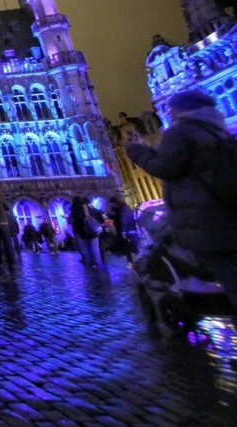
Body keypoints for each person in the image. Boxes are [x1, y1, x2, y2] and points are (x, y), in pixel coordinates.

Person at [127, 89, 237, 309]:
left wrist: (137, 151)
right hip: (227, 214)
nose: (169, 112)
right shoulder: (220, 132)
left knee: (224, 273)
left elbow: (165, 167)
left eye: (172, 108)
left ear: (182, 109)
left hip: (201, 217)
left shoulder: (181, 133)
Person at [69, 195, 105, 269]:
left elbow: (71, 222)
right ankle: (98, 264)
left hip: (81, 234)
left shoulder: (73, 212)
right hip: (92, 232)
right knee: (95, 249)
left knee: (85, 250)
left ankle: (88, 265)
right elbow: (99, 216)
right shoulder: (88, 208)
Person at [106, 196, 138, 265]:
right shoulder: (125, 207)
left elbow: (122, 220)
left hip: (123, 229)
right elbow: (112, 216)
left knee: (126, 244)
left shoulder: (121, 209)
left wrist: (123, 232)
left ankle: (130, 260)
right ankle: (134, 256)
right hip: (131, 228)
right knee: (131, 243)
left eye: (111, 204)